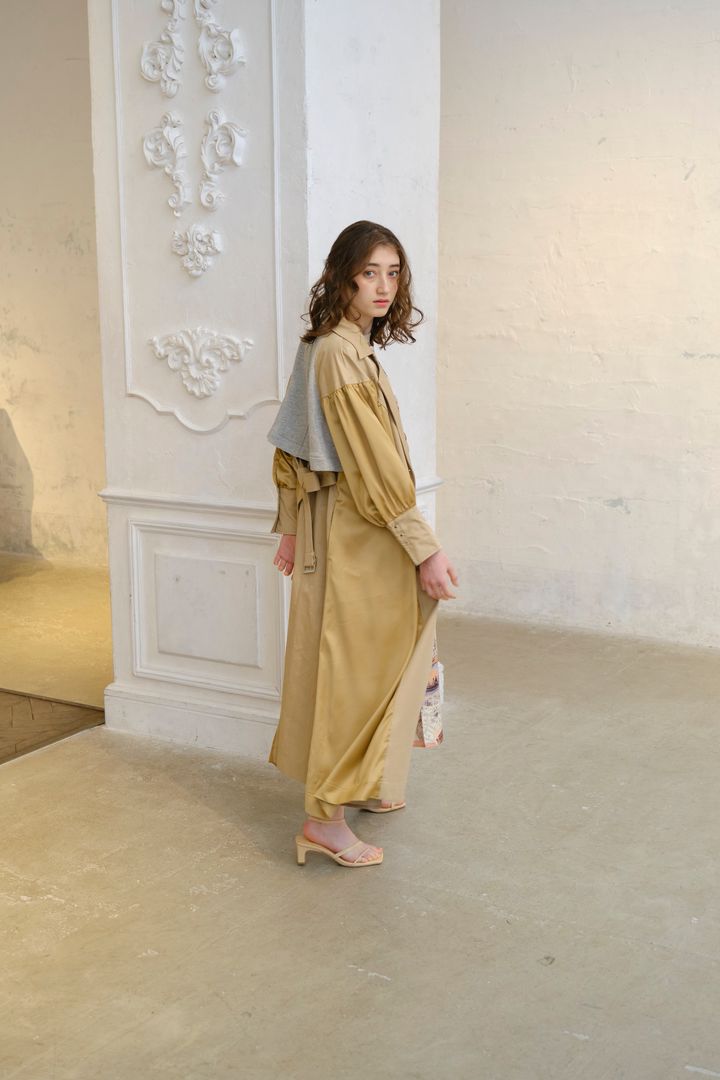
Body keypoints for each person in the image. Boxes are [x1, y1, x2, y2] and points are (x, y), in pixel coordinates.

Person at [267, 220, 458, 868]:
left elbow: (294, 448)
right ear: (343, 276)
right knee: (353, 668)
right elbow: (372, 466)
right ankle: (323, 819)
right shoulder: (338, 353)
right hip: (359, 533)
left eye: (393, 273)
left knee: (374, 657)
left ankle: (363, 779)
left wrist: (291, 527)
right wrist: (424, 548)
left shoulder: (340, 345)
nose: (383, 286)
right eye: (370, 272)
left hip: (355, 529)